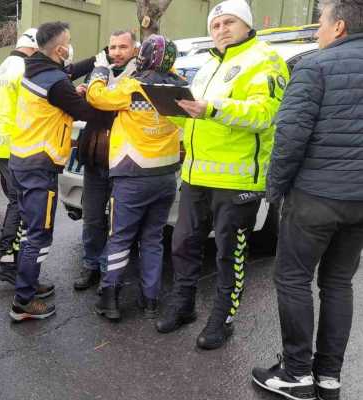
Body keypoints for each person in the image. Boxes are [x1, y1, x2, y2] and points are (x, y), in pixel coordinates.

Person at [155, 0, 289, 350]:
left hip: (237, 181)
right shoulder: (208, 66)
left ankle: (222, 319)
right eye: (215, 25)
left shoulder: (265, 59)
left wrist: (211, 108)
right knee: (183, 245)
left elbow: (264, 114)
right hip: (196, 176)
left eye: (229, 22)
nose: (221, 30)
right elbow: (199, 120)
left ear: (246, 25)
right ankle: (183, 306)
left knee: (229, 254)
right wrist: (172, 110)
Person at [252, 1, 363, 399]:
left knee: (294, 279)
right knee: (338, 283)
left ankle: (297, 374)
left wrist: (275, 189)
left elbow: (290, 138)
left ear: (339, 28)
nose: (317, 30)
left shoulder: (315, 67)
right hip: (359, 203)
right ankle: (329, 376)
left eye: (321, 23)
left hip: (316, 195)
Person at [88, 35, 183, 322]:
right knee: (153, 239)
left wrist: (101, 70)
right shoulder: (179, 87)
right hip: (165, 175)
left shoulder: (133, 86)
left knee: (120, 238)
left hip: (133, 175)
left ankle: (110, 299)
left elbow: (96, 97)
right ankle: (151, 300)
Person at [8, 21, 100, 321]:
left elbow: (63, 83)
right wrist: (86, 95)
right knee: (39, 234)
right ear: (60, 49)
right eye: (69, 41)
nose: (71, 46)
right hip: (40, 164)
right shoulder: (56, 82)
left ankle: (29, 283)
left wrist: (95, 64)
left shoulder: (34, 68)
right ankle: (23, 302)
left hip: (22, 159)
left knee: (29, 229)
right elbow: (85, 112)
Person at [73, 30, 139, 292]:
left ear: (134, 49)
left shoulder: (138, 76)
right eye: (112, 47)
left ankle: (106, 270)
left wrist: (96, 94)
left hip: (123, 161)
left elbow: (108, 104)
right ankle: (90, 266)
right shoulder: (98, 72)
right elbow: (91, 107)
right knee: (91, 218)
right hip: (94, 156)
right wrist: (81, 94)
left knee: (117, 222)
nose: (116, 52)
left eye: (123, 46)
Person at [0, 28, 39, 284]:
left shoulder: (3, 67)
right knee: (20, 204)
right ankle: (8, 260)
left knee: (15, 202)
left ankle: (8, 259)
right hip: (16, 145)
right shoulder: (24, 68)